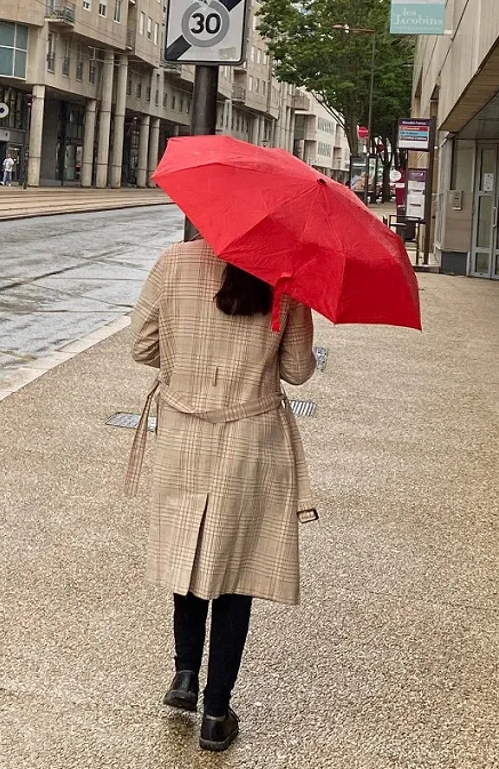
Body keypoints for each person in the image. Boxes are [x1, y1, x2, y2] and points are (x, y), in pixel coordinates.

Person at [127, 239, 317, 752]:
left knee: (187, 546)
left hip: (184, 430)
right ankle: (215, 712)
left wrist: (187, 361)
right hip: (250, 439)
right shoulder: (285, 279)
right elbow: (298, 370)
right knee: (239, 570)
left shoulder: (173, 261)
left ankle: (184, 675)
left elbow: (142, 345)